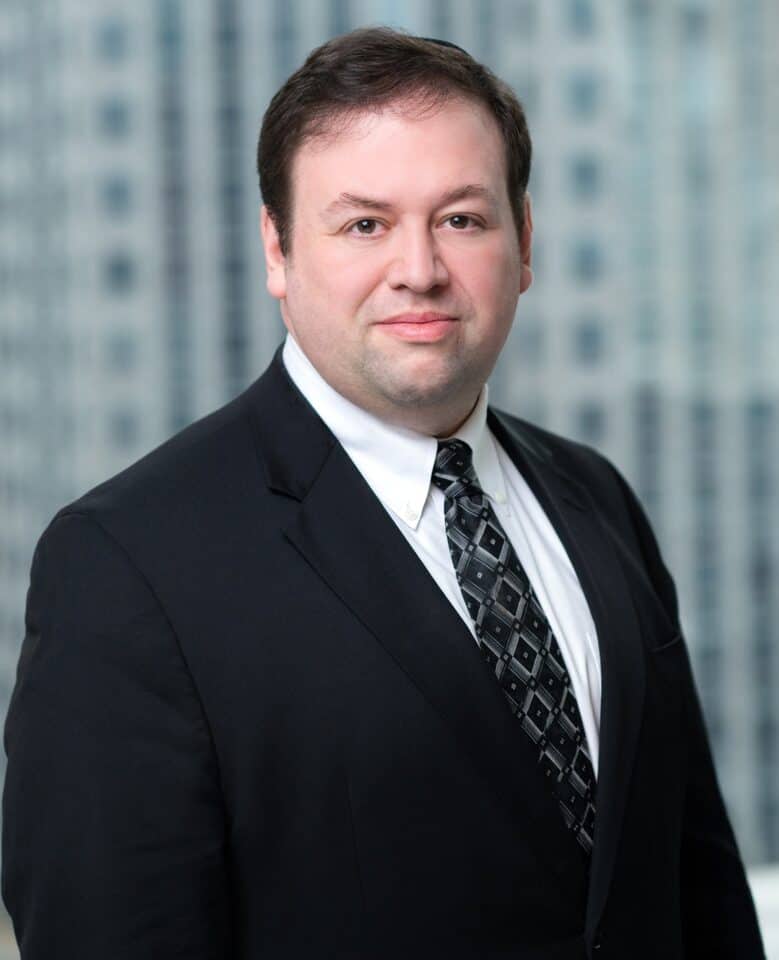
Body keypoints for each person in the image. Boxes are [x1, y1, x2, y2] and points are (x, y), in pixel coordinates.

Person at [2, 26, 765, 960]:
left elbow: (697, 885)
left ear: (523, 242)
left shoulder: (593, 496)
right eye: (364, 223)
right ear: (277, 250)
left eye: (462, 219)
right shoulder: (127, 568)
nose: (420, 269)